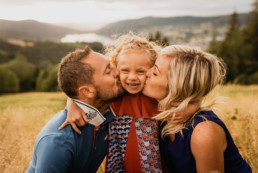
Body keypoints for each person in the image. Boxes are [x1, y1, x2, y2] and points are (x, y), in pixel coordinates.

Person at [60, 34, 197, 172]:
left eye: (140, 71)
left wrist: (192, 107)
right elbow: (83, 89)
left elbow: (189, 95)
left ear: (152, 71)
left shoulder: (156, 95)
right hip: (120, 165)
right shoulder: (114, 94)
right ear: (115, 68)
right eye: (125, 70)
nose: (132, 77)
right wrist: (72, 103)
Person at [142, 45, 252, 173]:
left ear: (177, 87)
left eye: (155, 73)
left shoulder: (203, 132)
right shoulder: (164, 113)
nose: (147, 73)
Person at [26, 46, 124, 173]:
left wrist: (72, 101)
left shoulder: (100, 117)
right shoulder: (58, 143)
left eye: (110, 65)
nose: (117, 71)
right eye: (107, 71)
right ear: (87, 91)